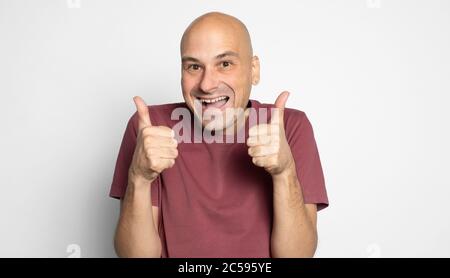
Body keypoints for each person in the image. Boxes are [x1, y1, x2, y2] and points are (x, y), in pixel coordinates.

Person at [110, 12, 328, 258]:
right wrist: (139, 177)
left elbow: (296, 256)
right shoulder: (151, 129)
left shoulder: (289, 127)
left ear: (254, 70)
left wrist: (284, 172)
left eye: (224, 64)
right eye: (194, 66)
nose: (207, 84)